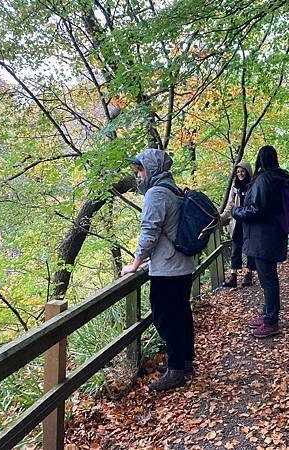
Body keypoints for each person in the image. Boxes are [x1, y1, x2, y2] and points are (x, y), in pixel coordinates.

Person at [121, 149, 195, 391]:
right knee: (181, 313)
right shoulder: (172, 188)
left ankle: (175, 370)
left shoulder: (156, 194)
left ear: (151, 169)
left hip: (168, 268)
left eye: (140, 170)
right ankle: (183, 362)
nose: (138, 175)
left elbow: (149, 231)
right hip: (182, 264)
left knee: (166, 317)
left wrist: (135, 264)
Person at [232, 145, 289, 338]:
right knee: (269, 277)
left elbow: (256, 210)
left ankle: (271, 320)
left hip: (262, 236)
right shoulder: (282, 177)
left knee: (268, 278)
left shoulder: (264, 180)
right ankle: (268, 314)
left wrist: (237, 212)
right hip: (275, 233)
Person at [220, 161, 255, 287]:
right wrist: (222, 217)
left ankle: (248, 274)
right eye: (238, 172)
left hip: (249, 221)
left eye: (243, 171)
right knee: (235, 249)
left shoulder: (252, 186)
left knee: (249, 249)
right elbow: (230, 204)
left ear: (248, 172)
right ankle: (233, 276)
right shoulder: (234, 188)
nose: (240, 174)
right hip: (237, 222)